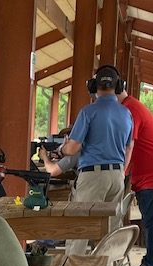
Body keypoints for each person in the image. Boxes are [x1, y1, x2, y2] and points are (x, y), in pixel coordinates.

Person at [59, 65, 134, 254]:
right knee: (109, 229)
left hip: (93, 175)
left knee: (80, 227)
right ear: (119, 87)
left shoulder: (88, 112)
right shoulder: (126, 114)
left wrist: (62, 148)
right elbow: (129, 146)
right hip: (117, 174)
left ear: (93, 86)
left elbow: (74, 147)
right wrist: (121, 171)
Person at [117, 87, 153, 266]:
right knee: (152, 222)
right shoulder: (130, 107)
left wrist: (120, 173)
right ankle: (149, 264)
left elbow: (127, 145)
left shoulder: (129, 110)